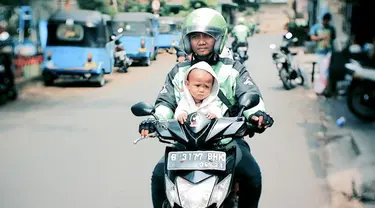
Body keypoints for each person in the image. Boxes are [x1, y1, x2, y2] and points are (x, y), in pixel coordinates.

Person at [138, 8, 274, 208]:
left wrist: (256, 116)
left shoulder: (233, 69)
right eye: (195, 36)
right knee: (159, 175)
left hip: (226, 142)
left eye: (207, 36)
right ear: (187, 40)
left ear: (219, 39)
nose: (201, 41)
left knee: (252, 175)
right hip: (184, 144)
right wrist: (155, 120)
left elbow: (249, 95)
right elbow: (165, 103)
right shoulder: (178, 71)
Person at [309, 13, 336, 95]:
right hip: (320, 52)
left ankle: (327, 89)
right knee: (322, 71)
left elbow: (334, 37)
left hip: (329, 51)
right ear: (323, 20)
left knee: (328, 71)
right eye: (326, 21)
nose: (327, 22)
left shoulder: (331, 28)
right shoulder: (316, 27)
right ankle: (322, 89)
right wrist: (321, 38)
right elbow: (312, 37)